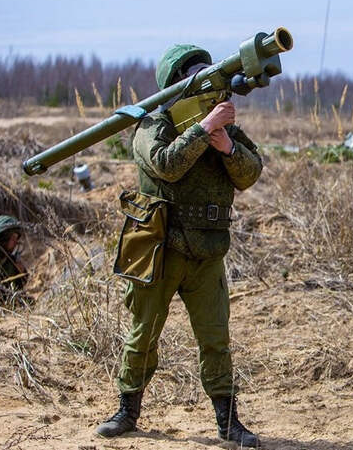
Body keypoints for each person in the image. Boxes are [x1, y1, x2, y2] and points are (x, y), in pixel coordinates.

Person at [96, 44, 263, 447]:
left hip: (207, 254)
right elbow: (166, 164)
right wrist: (203, 130)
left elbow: (250, 173)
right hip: (160, 250)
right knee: (143, 335)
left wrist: (226, 146)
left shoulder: (224, 132)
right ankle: (127, 411)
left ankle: (228, 423)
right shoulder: (152, 125)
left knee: (215, 340)